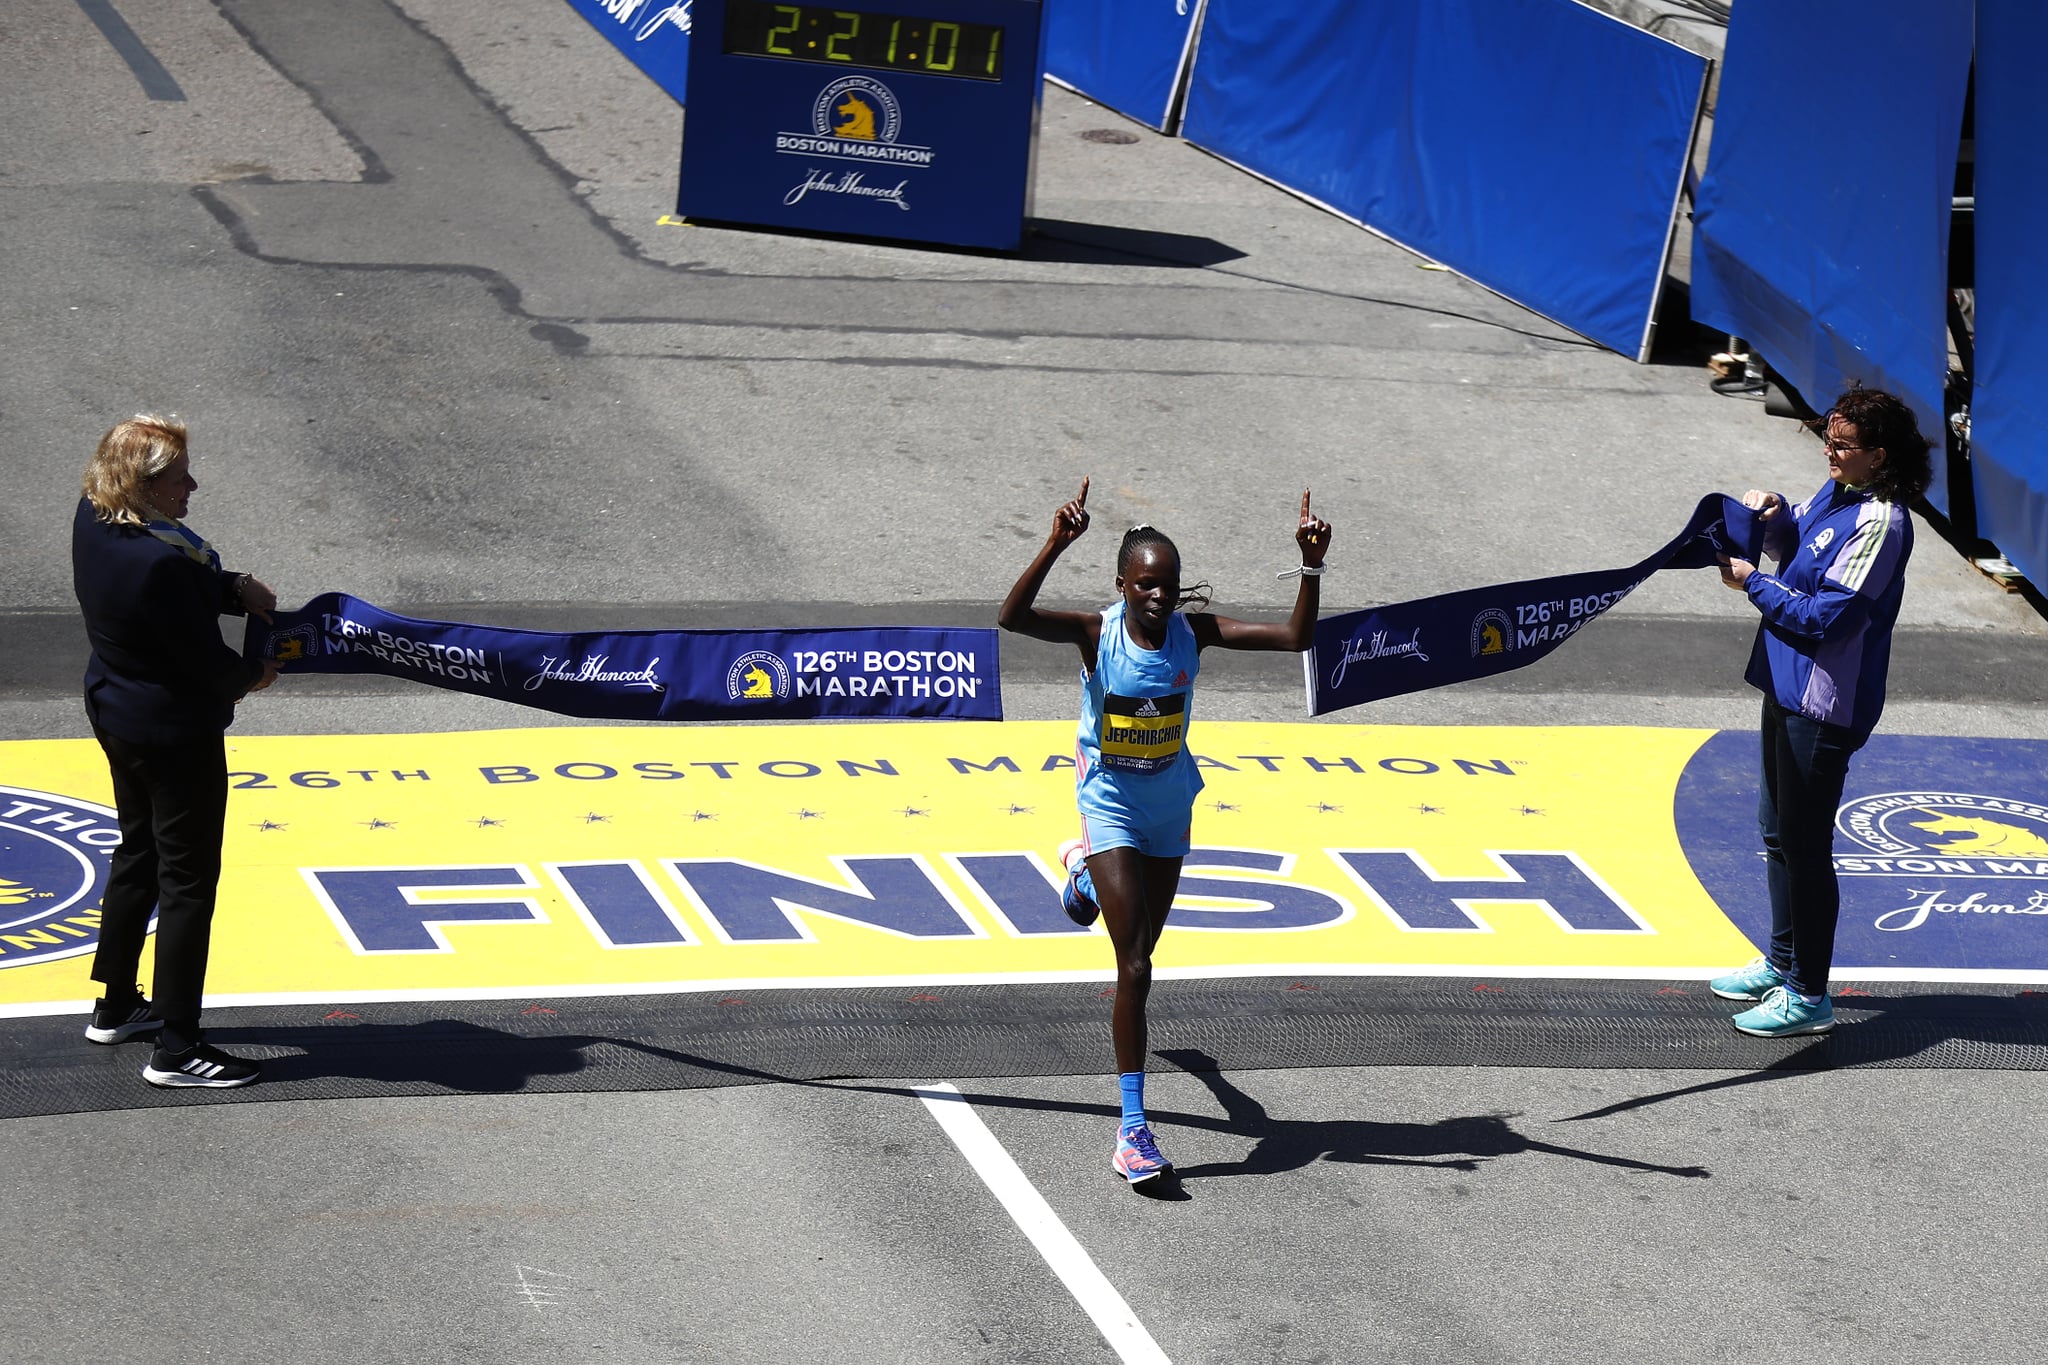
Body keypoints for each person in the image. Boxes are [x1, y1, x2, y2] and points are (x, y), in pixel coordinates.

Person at [999, 478, 1332, 1184]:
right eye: (1147, 584)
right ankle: (1132, 1131)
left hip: (1169, 808)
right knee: (1137, 964)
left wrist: (1310, 565)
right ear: (1122, 584)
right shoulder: (1096, 634)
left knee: (1145, 942)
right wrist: (1055, 543)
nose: (1160, 596)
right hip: (1111, 805)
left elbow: (1298, 637)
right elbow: (1013, 615)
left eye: (1170, 585)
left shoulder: (1194, 634)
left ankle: (1084, 875)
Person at [1709, 388, 1932, 1037]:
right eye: (1828, 440)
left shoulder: (1883, 523)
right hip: (1785, 683)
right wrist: (1775, 515)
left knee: (1806, 845)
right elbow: (1796, 544)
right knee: (1776, 829)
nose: (1829, 452)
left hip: (1824, 701)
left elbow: (1827, 616)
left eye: (1842, 445)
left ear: (1878, 455)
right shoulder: (1839, 491)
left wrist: (1752, 581)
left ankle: (1808, 994)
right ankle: (1783, 961)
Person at [74, 415, 282, 1087]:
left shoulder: (97, 514)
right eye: (178, 478)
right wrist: (253, 675)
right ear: (143, 483)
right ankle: (177, 1046)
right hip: (171, 731)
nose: (192, 485)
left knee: (138, 849)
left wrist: (229, 587)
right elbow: (203, 661)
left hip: (116, 706)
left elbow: (170, 598)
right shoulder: (159, 562)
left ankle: (115, 1004)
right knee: (188, 883)